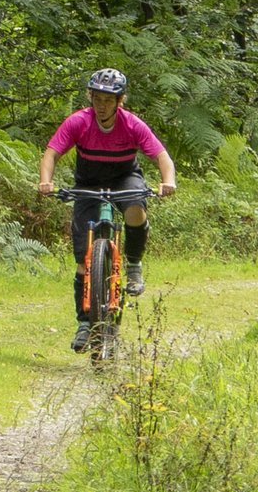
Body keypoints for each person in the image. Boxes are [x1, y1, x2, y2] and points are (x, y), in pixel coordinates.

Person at [38, 68, 177, 328]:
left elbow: (161, 156)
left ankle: (134, 264)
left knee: (136, 209)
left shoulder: (132, 124)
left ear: (119, 101)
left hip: (124, 177)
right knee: (83, 261)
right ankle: (83, 324)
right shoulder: (79, 122)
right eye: (97, 99)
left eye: (108, 100)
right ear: (90, 97)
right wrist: (46, 181)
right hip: (88, 183)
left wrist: (168, 181)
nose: (101, 106)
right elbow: (52, 153)